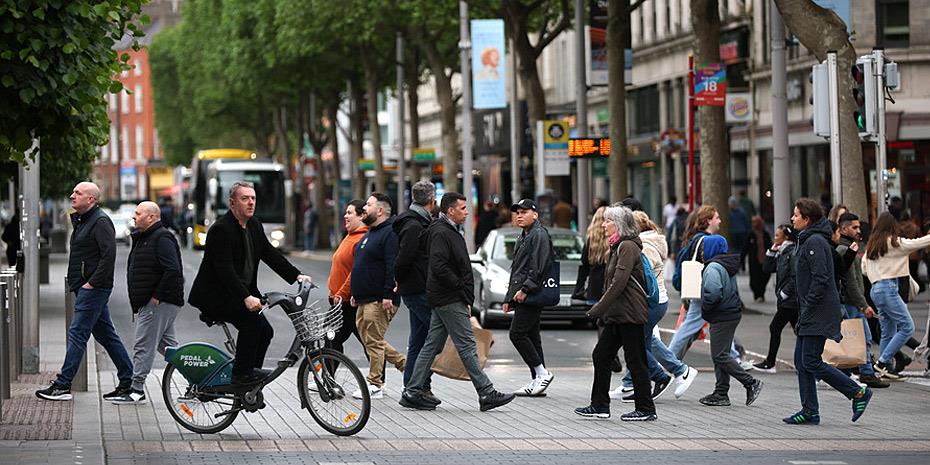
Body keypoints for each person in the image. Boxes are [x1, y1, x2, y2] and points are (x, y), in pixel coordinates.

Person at [400, 192, 516, 412]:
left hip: (445, 296)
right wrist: (461, 289)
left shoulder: (447, 230)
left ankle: (413, 391)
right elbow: (439, 266)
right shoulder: (441, 232)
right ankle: (486, 392)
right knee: (466, 345)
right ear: (450, 210)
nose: (466, 212)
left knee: (432, 345)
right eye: (462, 208)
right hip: (449, 297)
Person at [188, 181, 311, 385]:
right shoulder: (220, 229)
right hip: (217, 296)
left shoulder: (254, 225)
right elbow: (224, 271)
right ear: (232, 203)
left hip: (239, 292)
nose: (250, 203)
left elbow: (270, 254)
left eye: (253, 198)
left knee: (266, 331)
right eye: (245, 198)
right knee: (252, 325)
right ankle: (241, 375)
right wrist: (246, 297)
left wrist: (297, 275)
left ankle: (251, 375)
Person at [37, 182, 134, 401]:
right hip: (86, 287)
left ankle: (62, 385)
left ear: (91, 199)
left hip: (93, 289)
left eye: (77, 193)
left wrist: (91, 283)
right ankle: (129, 381)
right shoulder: (84, 220)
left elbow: (108, 256)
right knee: (107, 336)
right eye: (72, 192)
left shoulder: (100, 221)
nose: (72, 196)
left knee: (78, 333)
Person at [783, 198, 872, 425]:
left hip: (819, 310)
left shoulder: (815, 242)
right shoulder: (808, 239)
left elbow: (822, 278)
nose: (792, 218)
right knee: (802, 360)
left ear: (807, 219)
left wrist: (809, 304)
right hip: (811, 309)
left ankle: (857, 392)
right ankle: (810, 410)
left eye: (796, 215)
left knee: (810, 360)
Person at [574, 205, 656, 421]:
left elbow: (619, 282)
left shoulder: (628, 246)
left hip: (629, 313)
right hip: (617, 314)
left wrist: (596, 310)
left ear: (619, 225)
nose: (603, 224)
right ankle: (600, 405)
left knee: (636, 360)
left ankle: (646, 409)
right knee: (601, 356)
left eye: (608, 221)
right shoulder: (617, 246)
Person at [612, 211, 698, 403]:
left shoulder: (646, 246)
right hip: (651, 301)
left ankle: (675, 372)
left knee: (635, 345)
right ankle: (631, 383)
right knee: (644, 341)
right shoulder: (643, 243)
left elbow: (643, 277)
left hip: (650, 302)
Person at [111, 202, 184, 404]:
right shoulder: (145, 238)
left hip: (159, 303)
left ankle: (136, 390)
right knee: (169, 348)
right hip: (156, 302)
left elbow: (173, 270)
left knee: (143, 344)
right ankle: (198, 381)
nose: (134, 217)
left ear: (151, 217)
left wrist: (156, 297)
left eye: (138, 213)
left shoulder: (162, 238)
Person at [695, 235, 764, 407]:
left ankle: (750, 382)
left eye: (704, 249)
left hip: (721, 314)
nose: (702, 253)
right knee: (722, 353)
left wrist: (707, 308)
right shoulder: (725, 264)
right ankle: (721, 392)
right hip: (730, 313)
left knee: (720, 355)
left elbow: (713, 293)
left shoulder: (713, 268)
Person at [350, 192, 406, 399]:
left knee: (373, 341)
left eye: (368, 205)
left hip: (379, 299)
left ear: (380, 210)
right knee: (372, 340)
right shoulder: (371, 232)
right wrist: (356, 293)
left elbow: (393, 266)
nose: (364, 208)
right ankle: (406, 366)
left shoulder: (390, 233)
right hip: (365, 299)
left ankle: (375, 384)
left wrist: (388, 295)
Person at [862, 211, 930, 379]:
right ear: (893, 227)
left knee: (888, 330)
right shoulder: (894, 243)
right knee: (907, 327)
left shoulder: (872, 245)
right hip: (888, 289)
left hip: (876, 289)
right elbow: (917, 243)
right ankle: (883, 362)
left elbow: (863, 268)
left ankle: (884, 369)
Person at [503, 199, 556, 396]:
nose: (519, 215)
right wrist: (509, 298)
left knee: (517, 334)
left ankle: (542, 373)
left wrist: (525, 289)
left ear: (535, 214)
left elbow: (538, 267)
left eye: (524, 212)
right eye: (517, 212)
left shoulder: (539, 234)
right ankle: (537, 380)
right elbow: (517, 270)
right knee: (532, 336)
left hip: (531, 293)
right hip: (524, 293)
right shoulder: (525, 235)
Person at [836, 213, 888, 389]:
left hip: (853, 302)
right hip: (851, 302)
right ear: (843, 229)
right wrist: (863, 304)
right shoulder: (844, 250)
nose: (858, 230)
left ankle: (855, 372)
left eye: (858, 227)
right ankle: (866, 373)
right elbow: (850, 282)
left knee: (855, 338)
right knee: (861, 338)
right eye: (854, 227)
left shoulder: (851, 247)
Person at [393, 181, 436, 392]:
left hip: (413, 288)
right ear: (432, 200)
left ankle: (413, 384)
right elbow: (404, 258)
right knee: (436, 335)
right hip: (417, 289)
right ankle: (417, 386)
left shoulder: (415, 222)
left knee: (419, 339)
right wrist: (398, 279)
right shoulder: (415, 225)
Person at [669, 206, 720, 359]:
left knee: (713, 322)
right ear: (709, 220)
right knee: (690, 325)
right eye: (717, 217)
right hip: (701, 290)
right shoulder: (704, 240)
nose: (720, 221)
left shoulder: (697, 238)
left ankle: (734, 354)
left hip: (699, 290)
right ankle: (668, 358)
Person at [326, 200, 368, 367]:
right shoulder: (348, 236)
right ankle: (327, 380)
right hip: (338, 301)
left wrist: (341, 293)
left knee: (369, 343)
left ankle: (378, 381)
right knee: (330, 340)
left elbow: (355, 271)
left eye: (350, 213)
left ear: (361, 216)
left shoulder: (362, 239)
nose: (346, 216)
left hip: (349, 302)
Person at [754, 224, 799, 373]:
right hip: (787, 301)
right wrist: (771, 252)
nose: (775, 237)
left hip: (790, 301)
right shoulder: (781, 251)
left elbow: (795, 276)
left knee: (775, 327)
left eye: (777, 235)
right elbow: (767, 268)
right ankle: (805, 362)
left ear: (786, 237)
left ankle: (770, 362)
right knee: (799, 330)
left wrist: (784, 293)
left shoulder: (791, 252)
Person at [572, 207, 610, 305]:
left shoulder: (591, 241)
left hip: (594, 290)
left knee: (593, 318)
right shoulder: (615, 242)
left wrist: (577, 290)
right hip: (610, 290)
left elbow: (584, 267)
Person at [746, 216, 773, 302]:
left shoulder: (765, 234)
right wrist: (741, 261)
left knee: (764, 277)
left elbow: (770, 246)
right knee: (754, 279)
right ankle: (757, 294)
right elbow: (745, 248)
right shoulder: (751, 235)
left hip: (764, 260)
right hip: (754, 261)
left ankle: (761, 293)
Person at [728, 197, 751, 262]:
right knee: (737, 248)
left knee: (739, 248)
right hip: (737, 232)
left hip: (739, 232)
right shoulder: (740, 211)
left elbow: (746, 221)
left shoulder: (735, 212)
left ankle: (740, 262)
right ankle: (739, 262)